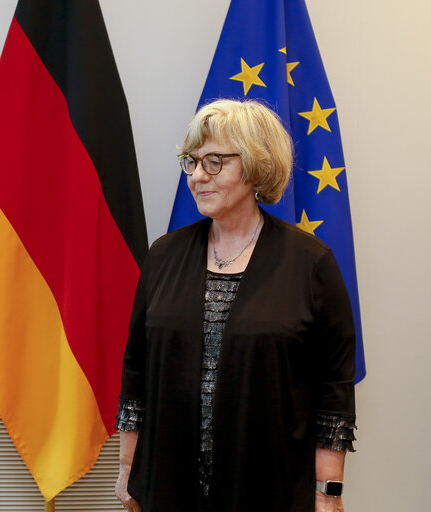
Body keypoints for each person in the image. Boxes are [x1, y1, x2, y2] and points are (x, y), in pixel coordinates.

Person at [115, 99, 356, 512]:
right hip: (167, 483)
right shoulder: (163, 255)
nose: (196, 177)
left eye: (213, 162)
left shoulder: (310, 263)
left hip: (271, 485)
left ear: (256, 164)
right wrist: (126, 469)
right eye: (190, 162)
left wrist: (326, 493)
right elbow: (136, 373)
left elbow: (333, 393)